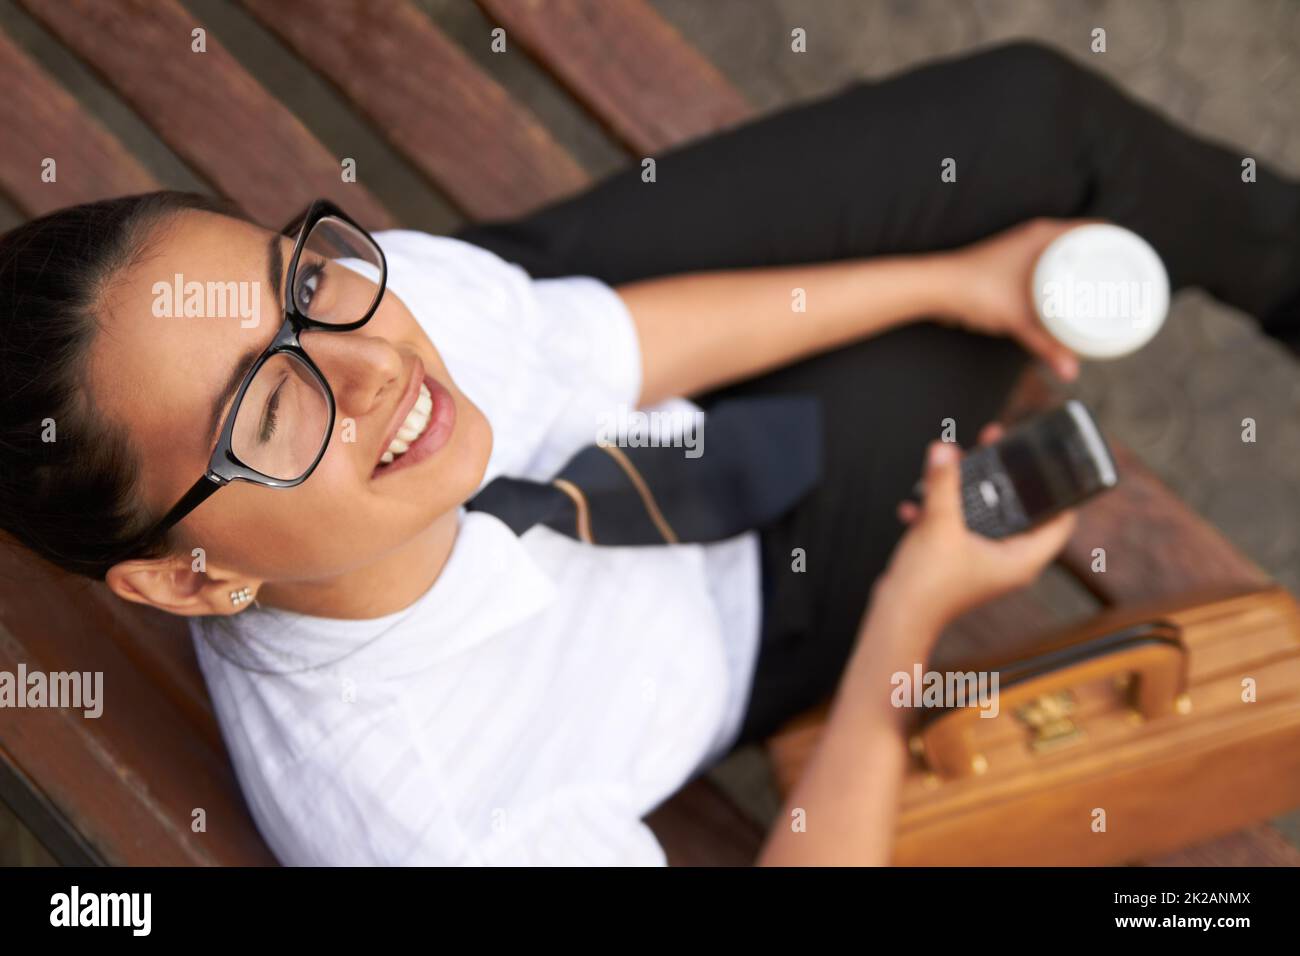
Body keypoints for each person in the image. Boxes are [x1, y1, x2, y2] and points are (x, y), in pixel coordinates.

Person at [0, 42, 1295, 865]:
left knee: (1031, 129)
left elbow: (601, 349)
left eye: (303, 281)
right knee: (1054, 209)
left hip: (604, 352)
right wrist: (914, 611)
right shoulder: (428, 823)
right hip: (765, 601)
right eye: (270, 412)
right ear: (189, 579)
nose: (375, 365)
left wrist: (954, 282)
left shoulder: (375, 314)